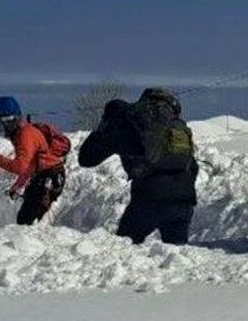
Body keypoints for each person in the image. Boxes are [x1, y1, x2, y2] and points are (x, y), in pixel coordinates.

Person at [78, 88, 198, 245]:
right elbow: (193, 166)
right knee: (176, 258)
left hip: (149, 197)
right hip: (184, 199)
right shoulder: (177, 129)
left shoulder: (131, 125)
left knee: (124, 253)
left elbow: (87, 158)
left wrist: (105, 127)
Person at [0, 96, 69, 226]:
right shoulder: (20, 134)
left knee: (29, 222)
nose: (0, 127)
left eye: (0, 123)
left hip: (50, 178)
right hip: (43, 177)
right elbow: (29, 166)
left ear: (9, 120)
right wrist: (17, 186)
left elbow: (20, 167)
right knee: (26, 220)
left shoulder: (25, 135)